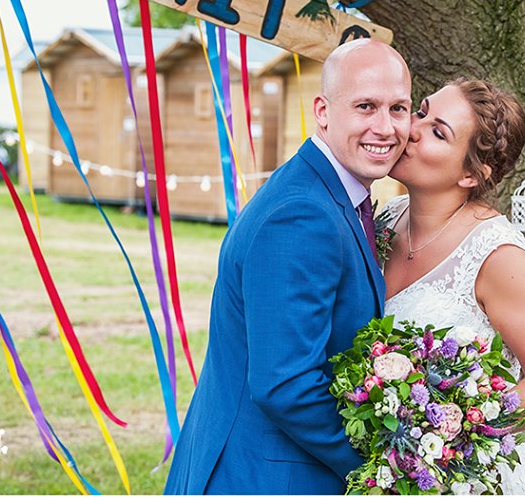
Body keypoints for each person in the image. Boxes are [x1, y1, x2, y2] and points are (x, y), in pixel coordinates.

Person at [164, 38, 412, 494]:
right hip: (262, 476)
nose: (386, 127)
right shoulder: (303, 215)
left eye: (399, 109)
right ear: (322, 110)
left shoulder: (331, 194)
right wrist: (384, 468)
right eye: (365, 106)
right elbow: (287, 384)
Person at [381, 78, 525, 494]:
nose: (412, 129)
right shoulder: (386, 219)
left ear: (473, 175)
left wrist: (445, 434)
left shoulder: (498, 255)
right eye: (421, 112)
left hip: (465, 480)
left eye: (438, 132)